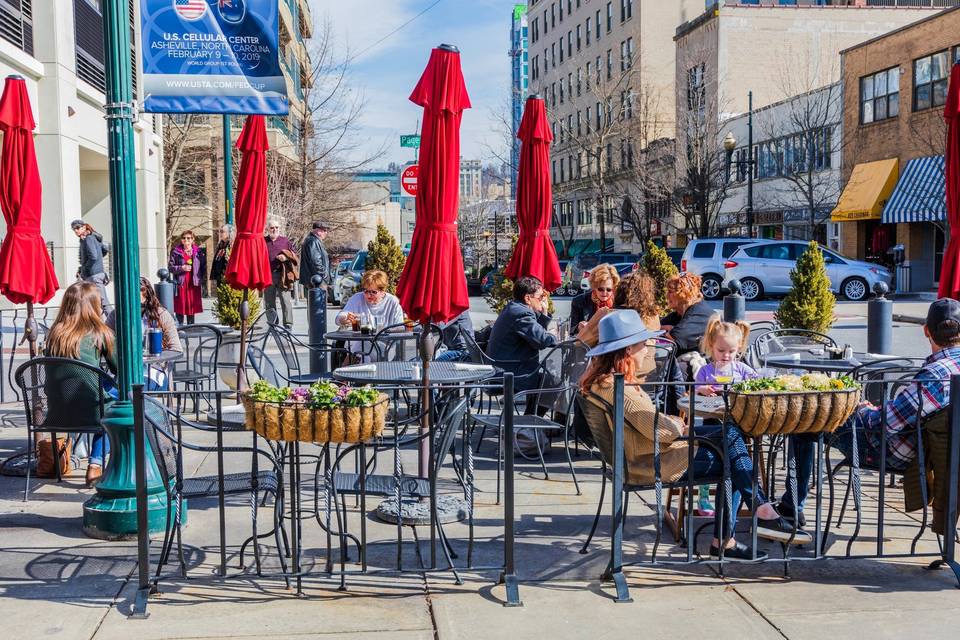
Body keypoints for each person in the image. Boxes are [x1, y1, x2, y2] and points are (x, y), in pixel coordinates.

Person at [579, 310, 808, 559]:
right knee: (731, 456)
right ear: (627, 351)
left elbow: (653, 425)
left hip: (642, 454)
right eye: (642, 345)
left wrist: (676, 425)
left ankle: (757, 510)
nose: (646, 351)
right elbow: (661, 429)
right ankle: (737, 531)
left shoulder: (603, 381)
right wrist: (679, 423)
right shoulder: (618, 387)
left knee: (729, 433)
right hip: (653, 462)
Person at [779, 298, 960, 528]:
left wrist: (863, 411)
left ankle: (791, 508)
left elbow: (885, 425)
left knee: (804, 422)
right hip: (942, 456)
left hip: (897, 452)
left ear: (926, 331)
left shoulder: (934, 375)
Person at [45, 282, 117, 486]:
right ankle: (95, 465)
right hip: (92, 411)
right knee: (119, 406)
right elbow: (119, 368)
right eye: (100, 303)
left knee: (101, 388)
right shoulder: (100, 332)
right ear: (92, 306)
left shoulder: (54, 334)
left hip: (57, 413)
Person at [692, 316, 758, 516]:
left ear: (738, 349)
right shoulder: (706, 370)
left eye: (732, 351)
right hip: (711, 419)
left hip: (738, 422)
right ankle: (703, 497)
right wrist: (703, 389)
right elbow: (695, 388)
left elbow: (756, 382)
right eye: (721, 351)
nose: (727, 355)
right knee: (709, 456)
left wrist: (744, 388)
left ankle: (734, 498)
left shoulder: (741, 369)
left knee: (736, 458)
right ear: (711, 346)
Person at [106, 277, 182, 390]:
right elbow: (103, 338)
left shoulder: (161, 315)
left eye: (140, 305)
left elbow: (176, 348)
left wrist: (156, 356)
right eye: (129, 302)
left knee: (134, 390)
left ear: (147, 298)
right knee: (103, 390)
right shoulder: (116, 315)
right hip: (122, 370)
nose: (134, 308)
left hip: (152, 370)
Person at [487, 276, 558, 391]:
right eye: (540, 297)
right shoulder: (521, 313)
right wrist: (554, 335)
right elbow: (542, 341)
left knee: (547, 379)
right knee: (553, 383)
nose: (543, 300)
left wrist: (544, 312)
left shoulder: (515, 307)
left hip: (504, 367)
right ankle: (530, 410)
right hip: (509, 372)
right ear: (528, 298)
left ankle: (530, 409)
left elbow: (535, 336)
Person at [335, 270, 405, 358]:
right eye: (366, 291)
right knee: (361, 345)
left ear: (383, 292)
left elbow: (400, 328)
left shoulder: (392, 302)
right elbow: (339, 318)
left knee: (365, 347)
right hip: (358, 346)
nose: (369, 295)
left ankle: (345, 368)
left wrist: (385, 331)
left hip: (385, 347)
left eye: (373, 292)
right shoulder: (357, 298)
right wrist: (344, 318)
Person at [661, 273, 714, 357]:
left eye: (670, 292)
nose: (666, 295)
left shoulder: (698, 314)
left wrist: (668, 330)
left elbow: (673, 338)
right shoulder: (681, 311)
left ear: (683, 295)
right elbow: (658, 326)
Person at [570, 263, 620, 336]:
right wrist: (579, 327)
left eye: (609, 289)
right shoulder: (579, 301)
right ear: (594, 287)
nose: (605, 292)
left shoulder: (619, 300)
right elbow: (571, 328)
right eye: (601, 289)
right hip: (588, 343)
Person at [168, 230, 206, 324]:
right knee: (180, 306)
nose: (186, 240)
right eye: (184, 238)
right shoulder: (176, 251)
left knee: (191, 307)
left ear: (193, 239)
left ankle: (191, 326)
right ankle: (180, 326)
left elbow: (203, 267)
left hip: (193, 283)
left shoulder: (198, 252)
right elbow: (170, 267)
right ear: (181, 240)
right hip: (181, 283)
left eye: (188, 238)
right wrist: (182, 268)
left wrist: (199, 278)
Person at [71, 220, 110, 311]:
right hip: (93, 274)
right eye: (74, 229)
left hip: (94, 275)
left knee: (103, 303)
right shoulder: (88, 238)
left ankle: (114, 324)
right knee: (89, 302)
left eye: (77, 228)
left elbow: (93, 256)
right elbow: (103, 251)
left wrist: (85, 267)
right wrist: (82, 268)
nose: (76, 231)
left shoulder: (89, 238)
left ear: (84, 227)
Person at [264, 219, 296, 329]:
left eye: (277, 227)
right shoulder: (263, 241)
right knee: (269, 302)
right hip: (267, 275)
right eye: (272, 227)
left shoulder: (285, 241)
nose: (275, 229)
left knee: (285, 300)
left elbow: (294, 256)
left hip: (283, 275)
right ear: (267, 229)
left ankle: (288, 325)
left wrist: (285, 257)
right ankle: (272, 324)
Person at [300, 221, 331, 291]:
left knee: (313, 301)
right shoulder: (313, 241)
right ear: (318, 230)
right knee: (318, 301)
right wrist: (324, 276)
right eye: (324, 230)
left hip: (313, 279)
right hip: (317, 281)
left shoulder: (312, 240)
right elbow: (316, 262)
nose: (326, 233)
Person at [209, 224, 233, 288]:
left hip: (228, 278)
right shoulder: (220, 245)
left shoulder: (231, 246)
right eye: (219, 231)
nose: (220, 233)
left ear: (229, 233)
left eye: (222, 231)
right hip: (219, 277)